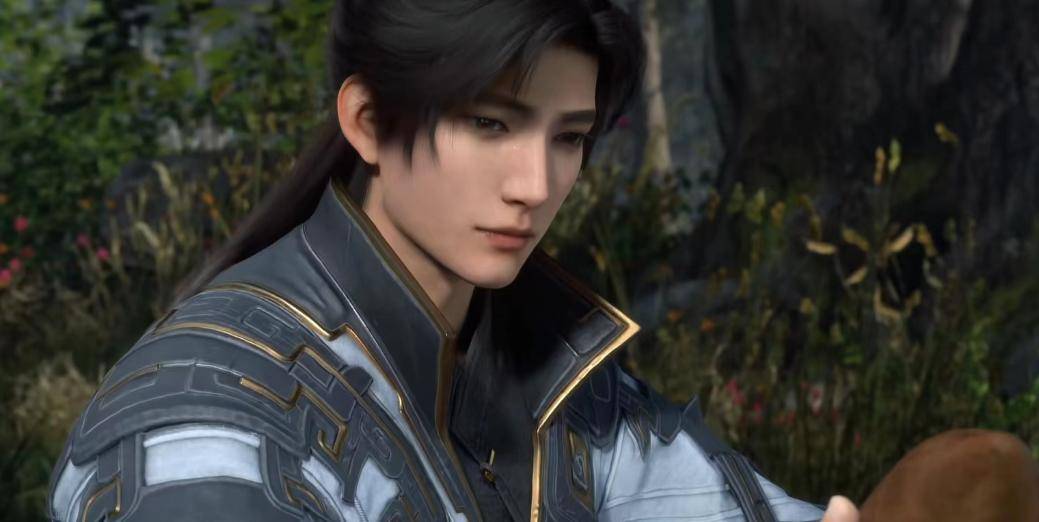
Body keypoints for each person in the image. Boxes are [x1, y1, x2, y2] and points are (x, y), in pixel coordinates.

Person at [47, 1, 844, 520]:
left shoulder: (554, 373)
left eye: (568, 137)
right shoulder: (201, 433)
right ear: (367, 121)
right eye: (489, 124)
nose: (535, 186)